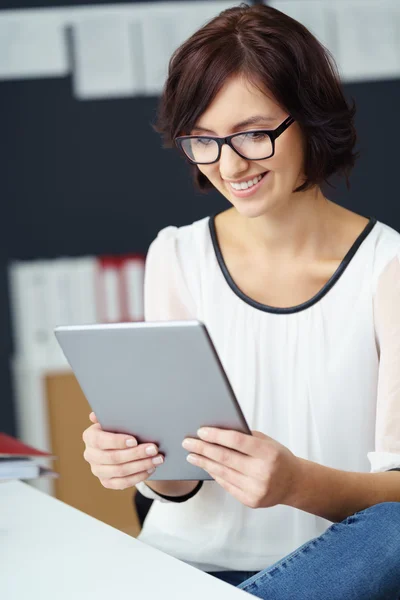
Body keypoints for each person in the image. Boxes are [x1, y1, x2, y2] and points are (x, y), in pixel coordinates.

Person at [82, 4, 400, 598]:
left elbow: (398, 494)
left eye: (254, 133)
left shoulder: (389, 268)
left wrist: (296, 483)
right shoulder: (177, 256)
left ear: (309, 118)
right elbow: (179, 482)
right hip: (187, 566)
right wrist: (144, 465)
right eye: (203, 140)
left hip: (332, 574)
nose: (230, 165)